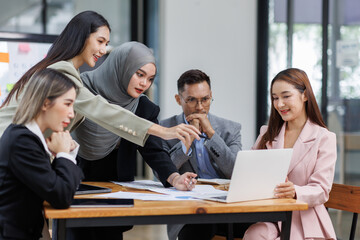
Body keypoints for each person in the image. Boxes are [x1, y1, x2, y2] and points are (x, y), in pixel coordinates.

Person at [0, 11, 200, 149]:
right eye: (100, 41)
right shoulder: (61, 72)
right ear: (82, 37)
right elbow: (101, 109)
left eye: (107, 43)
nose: (103, 50)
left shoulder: (59, 69)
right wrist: (163, 131)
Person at [68, 42, 197, 240]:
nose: (144, 83)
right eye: (139, 74)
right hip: (77, 183)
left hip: (115, 192)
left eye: (150, 79)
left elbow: (154, 150)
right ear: (122, 67)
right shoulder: (82, 91)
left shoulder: (144, 108)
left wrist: (174, 177)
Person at [243, 68, 337, 240]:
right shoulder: (267, 134)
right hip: (271, 218)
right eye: (275, 98)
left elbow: (322, 190)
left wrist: (295, 191)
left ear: (305, 96)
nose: (279, 104)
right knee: (254, 234)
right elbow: (249, 171)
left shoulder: (324, 138)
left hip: (306, 222)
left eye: (286, 96)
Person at [160, 69, 250, 240]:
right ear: (179, 100)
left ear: (211, 96)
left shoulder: (230, 129)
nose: (200, 107)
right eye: (192, 100)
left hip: (226, 204)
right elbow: (162, 174)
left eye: (205, 99)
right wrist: (186, 143)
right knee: (198, 229)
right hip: (189, 209)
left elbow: (235, 171)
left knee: (257, 227)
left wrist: (211, 134)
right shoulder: (165, 129)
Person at [0, 68, 84, 239]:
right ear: (45, 103)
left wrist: (65, 153)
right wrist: (63, 154)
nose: (72, 113)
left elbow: (59, 186)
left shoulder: (27, 137)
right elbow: (61, 196)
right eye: (67, 104)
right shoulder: (22, 141)